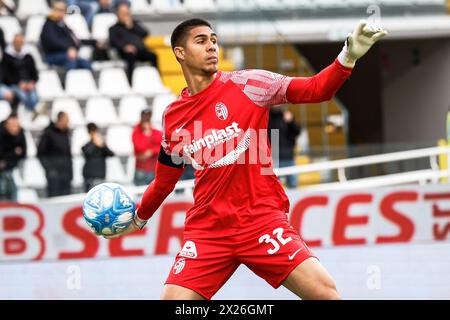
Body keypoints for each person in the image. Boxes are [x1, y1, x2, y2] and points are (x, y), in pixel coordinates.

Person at [106, 18, 387, 300]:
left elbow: (317, 89)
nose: (212, 47)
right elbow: (164, 181)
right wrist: (138, 219)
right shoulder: (174, 117)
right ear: (180, 53)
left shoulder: (251, 84)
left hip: (261, 221)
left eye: (214, 40)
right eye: (201, 41)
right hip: (208, 232)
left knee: (326, 293)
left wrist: (347, 56)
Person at [109, 1, 158, 84]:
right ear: (117, 14)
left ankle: (156, 79)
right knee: (130, 56)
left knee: (153, 56)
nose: (125, 15)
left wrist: (132, 26)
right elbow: (114, 42)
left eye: (126, 13)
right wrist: (124, 47)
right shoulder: (114, 28)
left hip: (139, 51)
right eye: (122, 13)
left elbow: (145, 33)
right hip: (126, 52)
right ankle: (130, 82)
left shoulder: (134, 25)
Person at [2, 33, 46, 118]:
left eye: (20, 42)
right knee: (23, 96)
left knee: (33, 95)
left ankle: (35, 111)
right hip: (14, 84)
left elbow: (35, 73)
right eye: (17, 42)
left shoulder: (28, 56)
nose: (18, 44)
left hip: (28, 83)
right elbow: (5, 75)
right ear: (13, 42)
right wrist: (18, 83)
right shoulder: (7, 57)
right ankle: (37, 109)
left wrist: (32, 82)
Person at [40, 0, 92, 72]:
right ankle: (69, 81)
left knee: (86, 63)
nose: (61, 13)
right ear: (53, 10)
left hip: (67, 54)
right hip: (52, 55)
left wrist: (95, 43)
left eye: (63, 10)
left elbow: (74, 40)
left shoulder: (63, 25)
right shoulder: (48, 25)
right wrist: (69, 49)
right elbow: (53, 41)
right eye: (58, 10)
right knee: (72, 61)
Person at [37, 111, 73, 197]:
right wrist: (50, 170)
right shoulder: (48, 133)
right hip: (54, 175)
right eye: (66, 120)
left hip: (66, 174)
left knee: (66, 199)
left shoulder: (66, 133)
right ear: (60, 119)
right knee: (54, 198)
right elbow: (40, 153)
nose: (68, 122)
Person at [268, 105, 301, 189]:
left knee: (293, 185)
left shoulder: (287, 115)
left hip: (288, 156)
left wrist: (291, 121)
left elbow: (297, 131)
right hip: (272, 158)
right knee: (273, 187)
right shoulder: (266, 117)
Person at [132, 108, 162, 186]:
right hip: (141, 169)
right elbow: (140, 147)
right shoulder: (136, 132)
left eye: (148, 116)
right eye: (145, 116)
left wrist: (151, 151)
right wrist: (147, 135)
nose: (146, 118)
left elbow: (162, 147)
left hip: (153, 169)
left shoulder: (155, 132)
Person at [81, 122, 114, 192]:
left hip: (100, 176)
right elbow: (87, 153)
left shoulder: (102, 145)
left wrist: (102, 146)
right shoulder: (86, 146)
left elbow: (111, 154)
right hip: (89, 176)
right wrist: (94, 144)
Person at [0, 113, 26, 201]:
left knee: (13, 188)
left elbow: (23, 152)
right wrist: (14, 152)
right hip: (4, 169)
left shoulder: (21, 133)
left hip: (13, 167)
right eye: (12, 125)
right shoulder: (1, 133)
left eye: (16, 125)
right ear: (6, 124)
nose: (14, 128)